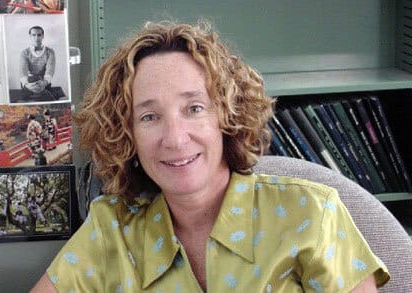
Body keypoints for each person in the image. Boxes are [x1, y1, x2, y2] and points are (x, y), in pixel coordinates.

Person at [31, 20, 390, 292]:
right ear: (126, 135)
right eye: (149, 117)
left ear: (227, 116)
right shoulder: (110, 230)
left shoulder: (312, 214)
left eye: (194, 108)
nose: (174, 138)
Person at [19, 25, 55, 98]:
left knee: (48, 97)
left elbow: (50, 70)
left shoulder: (50, 52)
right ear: (30, 36)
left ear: (43, 36)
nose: (36, 38)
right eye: (33, 35)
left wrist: (44, 83)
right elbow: (23, 70)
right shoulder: (24, 52)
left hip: (44, 82)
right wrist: (27, 84)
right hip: (29, 83)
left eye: (39, 35)